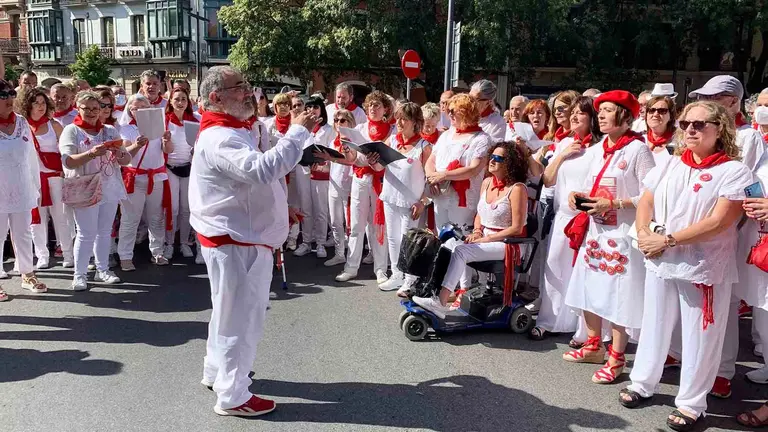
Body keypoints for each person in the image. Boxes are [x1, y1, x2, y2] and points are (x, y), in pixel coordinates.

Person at [190, 65, 321, 417]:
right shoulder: (221, 137)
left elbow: (254, 178)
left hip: (236, 236)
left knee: (227, 312)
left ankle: (217, 373)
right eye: (239, 87)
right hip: (237, 241)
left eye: (247, 85)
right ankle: (233, 396)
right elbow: (261, 170)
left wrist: (280, 207)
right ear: (216, 97)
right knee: (242, 319)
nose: (249, 91)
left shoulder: (235, 128)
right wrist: (298, 131)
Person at [620, 101, 752, 432]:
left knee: (700, 336)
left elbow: (721, 221)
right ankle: (642, 383)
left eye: (699, 124)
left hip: (703, 266)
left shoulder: (734, 171)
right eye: (685, 124)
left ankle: (692, 403)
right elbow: (646, 200)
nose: (690, 129)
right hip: (660, 259)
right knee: (654, 323)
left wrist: (667, 240)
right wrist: (643, 233)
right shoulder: (670, 163)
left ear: (719, 129)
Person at [562, 90, 654, 384]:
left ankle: (617, 357)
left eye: (609, 110)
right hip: (596, 231)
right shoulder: (599, 148)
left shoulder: (638, 150)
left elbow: (651, 195)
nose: (600, 115)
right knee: (589, 286)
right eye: (600, 110)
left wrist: (614, 204)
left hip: (622, 235)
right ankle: (593, 344)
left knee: (618, 295)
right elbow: (591, 184)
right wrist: (578, 196)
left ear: (625, 116)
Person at [689, 75, 767, 398]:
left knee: (736, 302)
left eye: (714, 98)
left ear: (733, 101)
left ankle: (724, 369)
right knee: (716, 301)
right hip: (714, 229)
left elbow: (736, 183)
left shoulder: (747, 137)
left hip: (734, 228)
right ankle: (710, 367)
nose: (706, 103)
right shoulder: (708, 133)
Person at [413, 141, 529, 317]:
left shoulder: (517, 189)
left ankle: (440, 302)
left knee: (461, 251)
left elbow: (517, 228)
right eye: (492, 156)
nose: (492, 160)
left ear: (510, 163)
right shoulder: (487, 182)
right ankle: (431, 291)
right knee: (448, 245)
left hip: (510, 243)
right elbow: (480, 213)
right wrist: (476, 231)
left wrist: (486, 239)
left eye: (499, 158)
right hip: (486, 237)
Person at [529, 96, 601, 341]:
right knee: (555, 267)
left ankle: (583, 330)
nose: (574, 117)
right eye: (573, 112)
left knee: (584, 272)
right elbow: (548, 180)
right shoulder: (565, 143)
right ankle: (549, 320)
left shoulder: (600, 148)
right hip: (562, 217)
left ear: (592, 118)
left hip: (588, 218)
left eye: (581, 113)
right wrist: (562, 155)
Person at [60, 91, 131, 291]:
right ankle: (80, 275)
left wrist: (118, 152)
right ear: (78, 108)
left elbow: (126, 160)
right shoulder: (71, 130)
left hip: (109, 186)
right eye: (86, 108)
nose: (91, 112)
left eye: (95, 108)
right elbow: (67, 161)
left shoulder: (110, 130)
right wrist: (91, 153)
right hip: (85, 187)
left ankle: (103, 270)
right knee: (85, 233)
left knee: (105, 232)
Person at [424, 93, 493, 292]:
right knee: (444, 239)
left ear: (467, 112)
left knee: (461, 240)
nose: (450, 114)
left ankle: (464, 286)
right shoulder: (446, 135)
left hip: (463, 198)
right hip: (441, 194)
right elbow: (431, 160)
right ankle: (446, 284)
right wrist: (432, 177)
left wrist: (443, 175)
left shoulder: (481, 138)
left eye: (455, 111)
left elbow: (474, 169)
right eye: (449, 110)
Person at [334, 91, 394, 283]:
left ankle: (381, 269)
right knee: (356, 225)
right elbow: (352, 159)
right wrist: (347, 150)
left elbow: (392, 159)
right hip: (360, 178)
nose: (373, 109)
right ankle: (351, 267)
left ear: (385, 109)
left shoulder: (392, 131)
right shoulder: (359, 128)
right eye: (370, 105)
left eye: (377, 105)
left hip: (381, 181)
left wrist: (377, 160)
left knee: (379, 226)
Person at [375, 102, 431, 294]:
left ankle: (410, 279)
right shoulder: (391, 141)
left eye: (404, 119)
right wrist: (373, 161)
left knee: (409, 240)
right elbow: (378, 167)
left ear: (415, 122)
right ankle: (397, 275)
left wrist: (423, 201)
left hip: (411, 202)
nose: (398, 123)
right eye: (397, 118)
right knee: (393, 238)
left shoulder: (424, 147)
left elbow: (430, 178)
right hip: (390, 197)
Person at [0, 80, 48, 301]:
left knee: (23, 233)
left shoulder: (21, 122)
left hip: (21, 187)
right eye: (3, 96)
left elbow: (31, 157)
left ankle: (27, 274)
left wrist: (35, 187)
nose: (9, 99)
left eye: (11, 94)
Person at [117, 94, 173, 269]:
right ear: (129, 110)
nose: (139, 111)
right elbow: (124, 157)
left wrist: (167, 141)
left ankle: (157, 252)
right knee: (130, 219)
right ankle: (125, 256)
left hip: (156, 177)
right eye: (135, 108)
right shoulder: (125, 128)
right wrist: (136, 145)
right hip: (134, 178)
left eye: (143, 107)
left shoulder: (160, 125)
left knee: (156, 218)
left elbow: (168, 150)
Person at [23, 87, 75, 270]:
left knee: (61, 217)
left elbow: (66, 150)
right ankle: (42, 255)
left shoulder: (55, 125)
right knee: (37, 219)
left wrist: (64, 171)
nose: (41, 106)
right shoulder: (22, 126)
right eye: (36, 103)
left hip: (55, 177)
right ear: (27, 105)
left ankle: (68, 253)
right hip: (32, 179)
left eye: (43, 103)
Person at [294, 96, 333, 259]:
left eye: (315, 107)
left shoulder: (329, 130)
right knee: (306, 208)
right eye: (309, 107)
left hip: (320, 172)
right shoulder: (300, 128)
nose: (312, 110)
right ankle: (306, 241)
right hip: (303, 170)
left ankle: (320, 243)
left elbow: (332, 152)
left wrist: (323, 162)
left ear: (321, 110)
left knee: (321, 209)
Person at [163, 87, 199, 259]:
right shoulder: (165, 121)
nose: (180, 102)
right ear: (170, 101)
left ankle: (184, 243)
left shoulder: (195, 120)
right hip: (170, 168)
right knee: (173, 208)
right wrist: (166, 142)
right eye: (176, 99)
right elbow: (165, 150)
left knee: (186, 208)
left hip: (188, 169)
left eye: (183, 99)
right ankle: (169, 243)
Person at [324, 109, 356, 267]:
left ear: (350, 122)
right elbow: (331, 166)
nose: (338, 123)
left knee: (350, 224)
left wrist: (332, 158)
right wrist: (319, 164)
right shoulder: (332, 142)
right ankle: (339, 254)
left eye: (342, 120)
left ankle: (352, 258)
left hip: (349, 186)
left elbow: (351, 161)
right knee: (335, 222)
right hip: (334, 186)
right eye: (336, 120)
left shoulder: (354, 141)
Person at [643, 94, 678, 167]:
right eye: (651, 110)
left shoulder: (679, 142)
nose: (655, 114)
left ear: (671, 116)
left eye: (662, 111)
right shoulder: (640, 140)